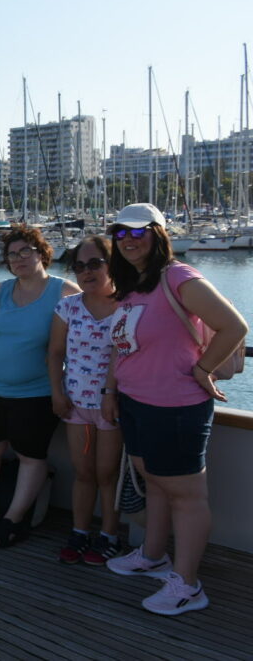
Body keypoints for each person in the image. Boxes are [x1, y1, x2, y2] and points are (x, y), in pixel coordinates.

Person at [101, 203, 246, 616]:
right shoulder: (131, 286)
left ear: (159, 234)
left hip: (176, 405)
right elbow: (122, 346)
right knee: (156, 481)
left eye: (139, 231)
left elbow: (235, 326)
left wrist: (203, 368)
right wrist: (111, 390)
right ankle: (153, 555)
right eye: (121, 233)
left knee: (186, 495)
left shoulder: (178, 277)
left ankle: (187, 585)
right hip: (135, 400)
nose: (129, 240)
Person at [0, 225, 79, 547]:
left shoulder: (65, 292)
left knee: (31, 455)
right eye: (12, 255)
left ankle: (14, 519)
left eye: (25, 251)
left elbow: (90, 333)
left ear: (42, 253)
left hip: (37, 394)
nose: (19, 259)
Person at [48, 236, 122, 565]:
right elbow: (55, 353)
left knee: (107, 473)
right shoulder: (68, 306)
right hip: (76, 403)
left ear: (112, 265)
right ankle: (80, 531)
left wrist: (110, 394)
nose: (86, 272)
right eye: (79, 266)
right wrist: (57, 392)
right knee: (83, 472)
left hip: (112, 406)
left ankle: (109, 534)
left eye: (95, 264)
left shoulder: (128, 306)